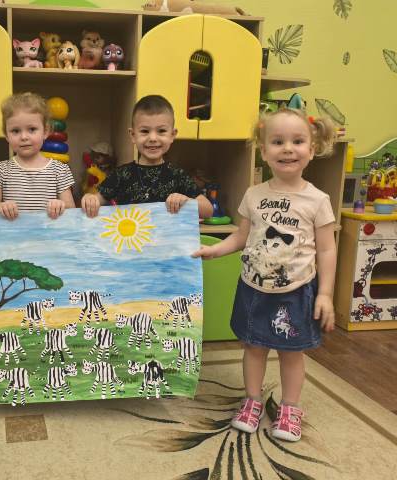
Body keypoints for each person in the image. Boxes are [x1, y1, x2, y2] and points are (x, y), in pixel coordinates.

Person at [192, 108, 337, 442]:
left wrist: (326, 294)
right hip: (254, 289)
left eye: (297, 141)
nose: (288, 149)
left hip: (296, 291)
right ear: (264, 150)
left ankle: (290, 408)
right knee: (254, 348)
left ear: (312, 149)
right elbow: (241, 237)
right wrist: (216, 249)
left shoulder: (317, 200)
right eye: (278, 141)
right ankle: (252, 400)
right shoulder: (254, 194)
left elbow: (327, 250)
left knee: (291, 352)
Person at [81, 94, 212, 218]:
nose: (153, 138)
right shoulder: (121, 175)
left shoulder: (178, 175)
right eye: (144, 131)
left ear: (172, 135)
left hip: (166, 235)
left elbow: (208, 211)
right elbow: (96, 199)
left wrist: (187, 201)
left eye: (161, 131)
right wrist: (89, 199)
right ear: (133, 135)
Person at [0, 92, 75, 219]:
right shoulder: (0, 170)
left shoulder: (60, 170)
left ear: (45, 131)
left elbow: (72, 211)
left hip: (48, 231)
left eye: (32, 129)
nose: (24, 137)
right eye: (15, 131)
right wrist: (0, 207)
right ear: (6, 135)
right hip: (13, 231)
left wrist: (61, 205)